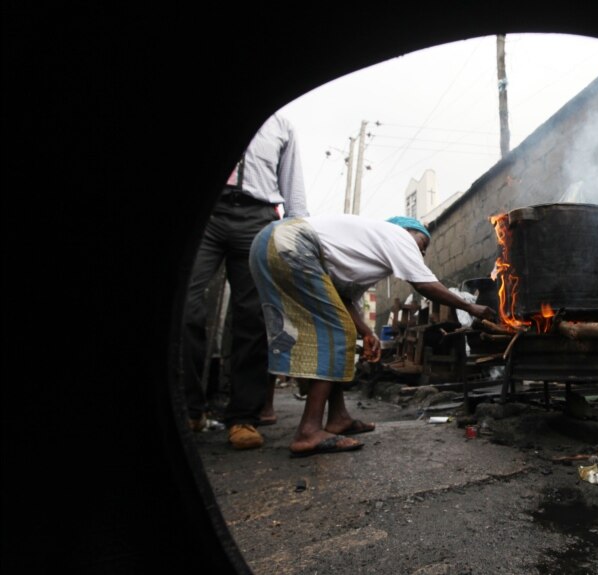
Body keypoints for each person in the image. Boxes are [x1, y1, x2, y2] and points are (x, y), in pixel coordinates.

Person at [249, 214, 496, 457]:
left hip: (269, 243)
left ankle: (338, 419)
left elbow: (342, 299)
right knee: (336, 332)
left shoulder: (362, 255)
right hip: (291, 242)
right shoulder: (397, 235)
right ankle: (309, 432)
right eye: (422, 244)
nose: (421, 254)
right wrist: (470, 307)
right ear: (408, 232)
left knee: (336, 330)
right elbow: (423, 284)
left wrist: (367, 333)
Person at [182, 112, 308, 450]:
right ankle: (189, 407)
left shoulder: (281, 125)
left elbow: (292, 184)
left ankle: (243, 419)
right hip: (207, 212)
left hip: (257, 216)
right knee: (185, 308)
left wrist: (295, 235)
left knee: (252, 317)